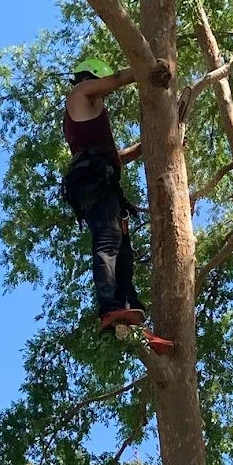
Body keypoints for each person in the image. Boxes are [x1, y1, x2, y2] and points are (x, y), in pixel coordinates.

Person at [61, 57, 146, 331]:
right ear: (92, 77)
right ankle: (109, 307)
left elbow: (113, 157)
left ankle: (127, 306)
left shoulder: (90, 120)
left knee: (123, 251)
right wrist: (145, 68)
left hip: (100, 180)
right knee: (108, 241)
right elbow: (115, 81)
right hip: (93, 180)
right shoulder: (81, 93)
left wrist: (143, 147)